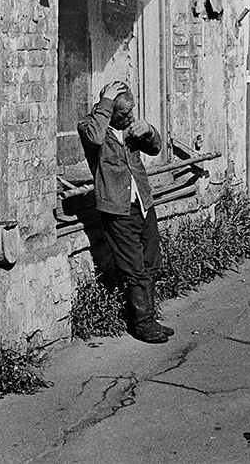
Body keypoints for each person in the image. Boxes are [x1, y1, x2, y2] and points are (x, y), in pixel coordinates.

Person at [77, 81, 174, 343]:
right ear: (108, 109)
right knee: (134, 267)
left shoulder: (129, 129)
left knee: (151, 260)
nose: (130, 117)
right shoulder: (90, 126)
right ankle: (141, 323)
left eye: (131, 111)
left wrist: (150, 131)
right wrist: (105, 104)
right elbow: (95, 138)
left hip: (142, 204)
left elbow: (155, 149)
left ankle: (150, 317)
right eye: (124, 113)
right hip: (116, 209)